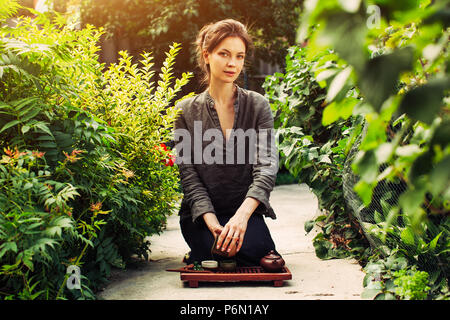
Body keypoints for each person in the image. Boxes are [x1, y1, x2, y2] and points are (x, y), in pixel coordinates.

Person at [173, 19, 279, 267]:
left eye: (239, 56)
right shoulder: (184, 111)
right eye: (224, 54)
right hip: (202, 215)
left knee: (256, 249)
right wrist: (211, 221)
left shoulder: (258, 105)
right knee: (220, 248)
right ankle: (204, 249)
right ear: (207, 55)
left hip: (244, 211)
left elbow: (266, 166)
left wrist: (241, 218)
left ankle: (213, 251)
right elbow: (188, 176)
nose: (233, 64)